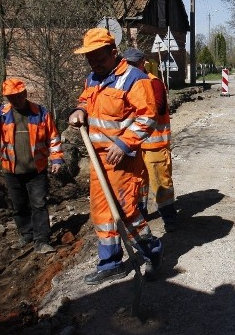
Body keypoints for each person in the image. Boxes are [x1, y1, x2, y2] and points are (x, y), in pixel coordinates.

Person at [68, 28, 164, 285]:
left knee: (126, 211)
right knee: (101, 214)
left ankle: (151, 252)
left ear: (113, 52)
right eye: (89, 57)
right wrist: (79, 110)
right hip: (98, 161)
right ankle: (110, 264)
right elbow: (86, 101)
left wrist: (123, 144)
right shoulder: (93, 78)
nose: (93, 62)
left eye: (98, 57)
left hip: (123, 160)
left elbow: (147, 117)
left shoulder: (135, 78)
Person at [0, 78, 63, 254]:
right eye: (11, 98)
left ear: (25, 94)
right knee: (19, 205)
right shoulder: (1, 113)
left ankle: (42, 240)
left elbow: (53, 137)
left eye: (18, 96)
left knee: (39, 204)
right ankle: (26, 233)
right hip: (11, 169)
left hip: (36, 168)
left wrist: (56, 159)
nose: (15, 100)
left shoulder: (40, 112)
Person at [122, 48, 177, 232]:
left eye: (133, 64)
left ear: (142, 63)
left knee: (161, 184)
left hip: (155, 146)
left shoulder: (154, 83)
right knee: (139, 184)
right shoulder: (126, 84)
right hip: (136, 146)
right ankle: (141, 215)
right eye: (127, 64)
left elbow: (158, 109)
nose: (130, 67)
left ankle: (170, 219)